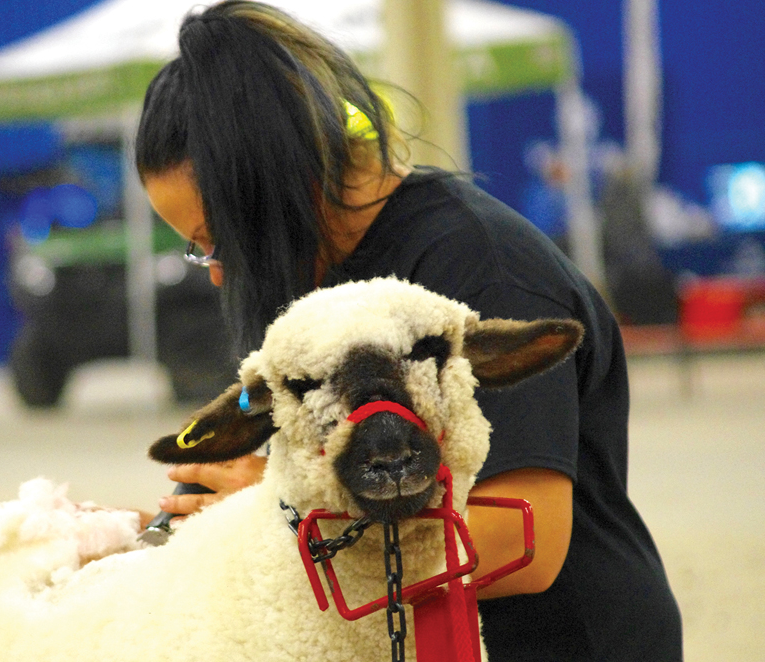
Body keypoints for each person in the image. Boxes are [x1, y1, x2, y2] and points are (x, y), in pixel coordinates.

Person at [134, 2, 682, 660]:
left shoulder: (481, 266)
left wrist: (276, 514)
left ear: (273, 190)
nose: (220, 277)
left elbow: (524, 541)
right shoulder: (325, 276)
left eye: (218, 243)